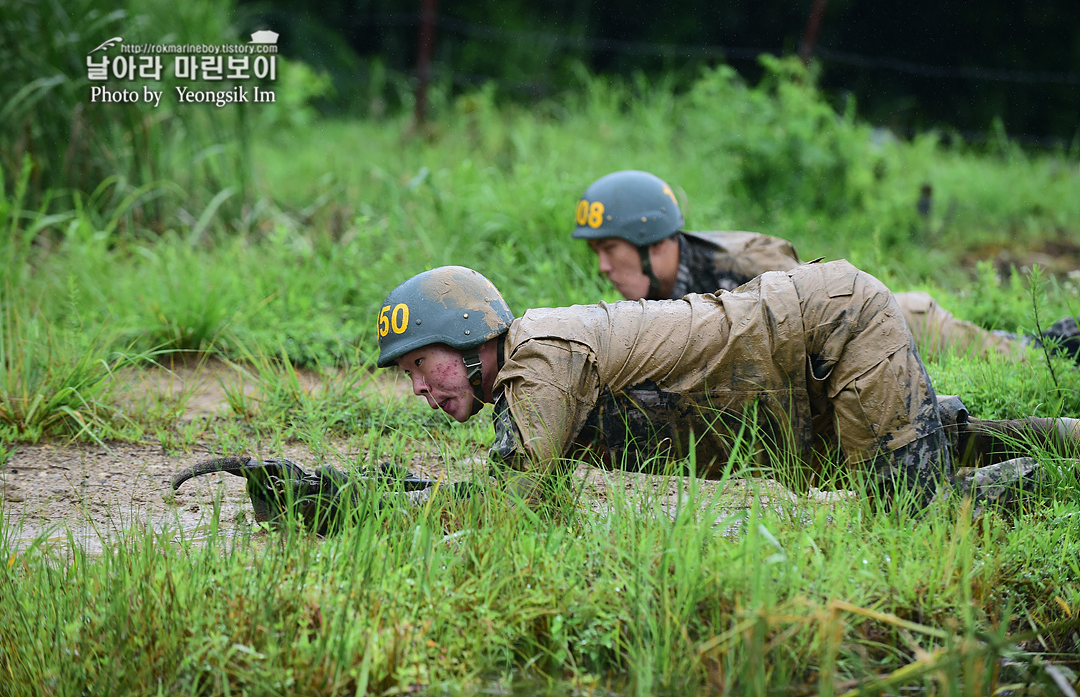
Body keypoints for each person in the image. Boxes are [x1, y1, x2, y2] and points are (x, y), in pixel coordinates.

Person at [173, 263, 1078, 531]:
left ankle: (1047, 478)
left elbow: (503, 510)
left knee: (912, 518)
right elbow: (510, 485)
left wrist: (348, 509)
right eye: (408, 375)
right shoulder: (531, 373)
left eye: (423, 364)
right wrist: (370, 487)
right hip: (797, 377)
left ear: (474, 339)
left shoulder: (541, 359)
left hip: (830, 330)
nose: (418, 388)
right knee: (922, 441)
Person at [571, 170, 1080, 364]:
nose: (602, 266)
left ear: (651, 242)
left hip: (898, 325)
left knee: (1027, 360)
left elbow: (818, 311)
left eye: (608, 248)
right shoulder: (650, 295)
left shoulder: (744, 262)